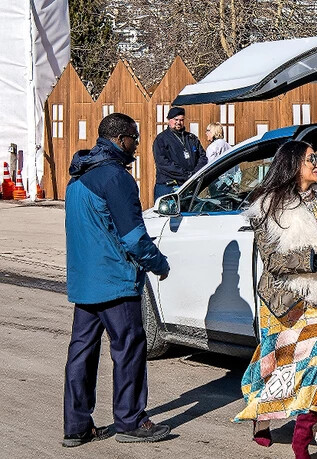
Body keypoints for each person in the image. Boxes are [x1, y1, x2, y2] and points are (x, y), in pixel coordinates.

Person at [63, 113, 171, 447]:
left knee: (81, 352)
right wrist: (158, 263)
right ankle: (130, 421)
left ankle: (76, 427)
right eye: (135, 138)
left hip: (85, 282)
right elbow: (134, 237)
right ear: (121, 138)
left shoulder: (77, 178)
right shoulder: (116, 178)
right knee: (129, 349)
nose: (137, 145)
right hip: (115, 280)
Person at [236, 140, 317, 458]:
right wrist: (315, 253)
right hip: (284, 301)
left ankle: (303, 437)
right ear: (293, 164)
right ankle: (262, 417)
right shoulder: (268, 206)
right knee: (276, 368)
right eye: (311, 158)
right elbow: (273, 261)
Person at [152, 106, 207, 200]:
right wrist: (185, 175)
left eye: (181, 120)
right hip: (169, 185)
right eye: (175, 119)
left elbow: (202, 157)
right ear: (169, 120)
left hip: (189, 184)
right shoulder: (161, 139)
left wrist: (195, 173)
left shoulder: (191, 138)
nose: (178, 123)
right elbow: (163, 163)